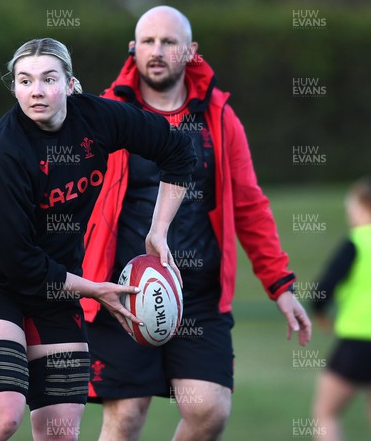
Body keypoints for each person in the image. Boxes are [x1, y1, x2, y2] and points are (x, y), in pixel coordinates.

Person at [0, 37, 196, 441]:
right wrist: (95, 290)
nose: (37, 91)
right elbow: (21, 265)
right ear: (14, 87)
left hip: (56, 286)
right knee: (1, 417)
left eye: (48, 79)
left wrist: (157, 232)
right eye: (24, 81)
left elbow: (178, 151)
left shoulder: (97, 119)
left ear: (71, 83)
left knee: (59, 431)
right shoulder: (5, 156)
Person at [81, 6, 312, 441]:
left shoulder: (219, 119)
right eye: (148, 41)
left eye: (169, 42)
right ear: (133, 49)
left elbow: (249, 205)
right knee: (126, 416)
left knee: (209, 410)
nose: (157, 50)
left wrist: (280, 284)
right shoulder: (108, 112)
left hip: (199, 297)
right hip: (120, 293)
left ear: (190, 51)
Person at [311, 176, 371, 441]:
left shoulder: (357, 242)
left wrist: (321, 314)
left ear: (363, 206)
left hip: (357, 341)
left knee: (325, 413)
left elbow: (322, 290)